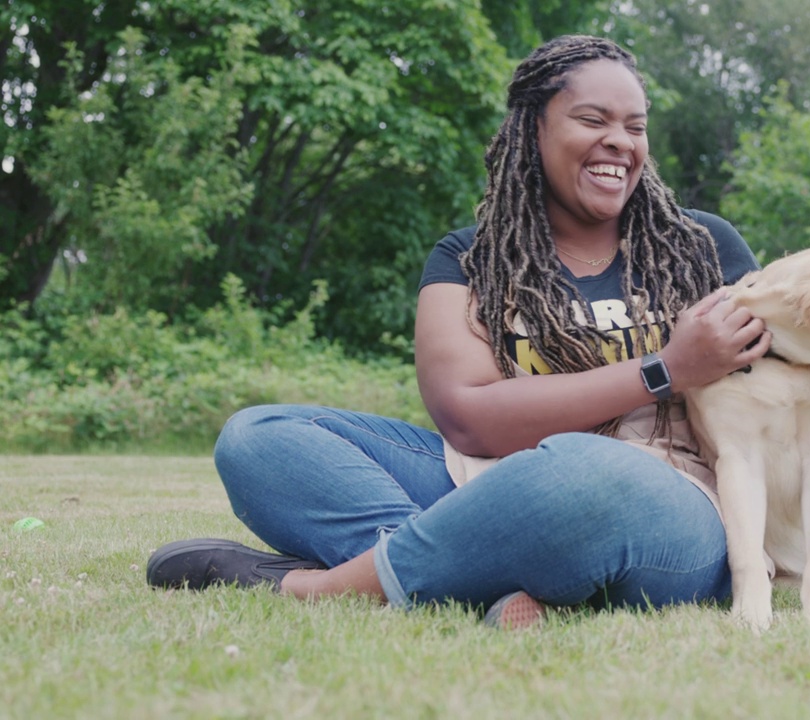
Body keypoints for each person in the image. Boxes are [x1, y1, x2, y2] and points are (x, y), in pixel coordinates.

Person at [146, 34, 771, 629]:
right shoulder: (470, 259)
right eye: (593, 120)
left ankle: (322, 587)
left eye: (634, 127)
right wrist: (663, 370)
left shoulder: (703, 248)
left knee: (583, 471)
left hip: (679, 497)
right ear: (533, 129)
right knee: (259, 438)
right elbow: (468, 417)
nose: (620, 143)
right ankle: (482, 579)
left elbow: (783, 392)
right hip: (488, 476)